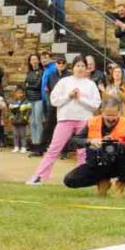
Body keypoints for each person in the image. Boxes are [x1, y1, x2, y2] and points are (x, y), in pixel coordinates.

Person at [27, 55, 102, 185]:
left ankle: (82, 178)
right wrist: (69, 96)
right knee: (54, 149)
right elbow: (54, 100)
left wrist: (80, 98)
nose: (80, 68)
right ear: (72, 68)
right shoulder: (64, 82)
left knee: (83, 151)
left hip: (84, 120)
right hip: (65, 119)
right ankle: (39, 176)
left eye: (82, 66)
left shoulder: (90, 84)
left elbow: (96, 104)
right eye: (77, 66)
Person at [63, 97, 125, 198]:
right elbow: (74, 141)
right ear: (102, 111)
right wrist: (89, 142)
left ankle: (121, 183)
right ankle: (102, 181)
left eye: (114, 115)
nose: (111, 119)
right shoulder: (92, 122)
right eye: (108, 115)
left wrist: (119, 145)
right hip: (96, 164)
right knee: (69, 180)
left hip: (117, 165)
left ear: (120, 112)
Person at [24, 53, 45, 155]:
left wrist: (29, 85)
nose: (34, 61)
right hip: (29, 99)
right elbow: (25, 85)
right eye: (32, 60)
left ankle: (40, 146)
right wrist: (28, 86)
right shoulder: (29, 72)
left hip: (38, 99)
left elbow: (38, 85)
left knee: (38, 121)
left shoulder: (41, 72)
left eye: (35, 59)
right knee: (32, 122)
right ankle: (34, 143)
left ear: (39, 61)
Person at [8, 88, 31, 153]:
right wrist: (11, 116)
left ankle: (24, 147)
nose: (19, 95)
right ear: (15, 94)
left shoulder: (26, 102)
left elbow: (29, 110)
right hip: (15, 121)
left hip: (22, 121)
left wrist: (26, 117)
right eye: (18, 93)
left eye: (21, 93)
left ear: (23, 94)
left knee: (22, 135)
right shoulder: (12, 102)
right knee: (15, 134)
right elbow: (10, 111)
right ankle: (16, 146)